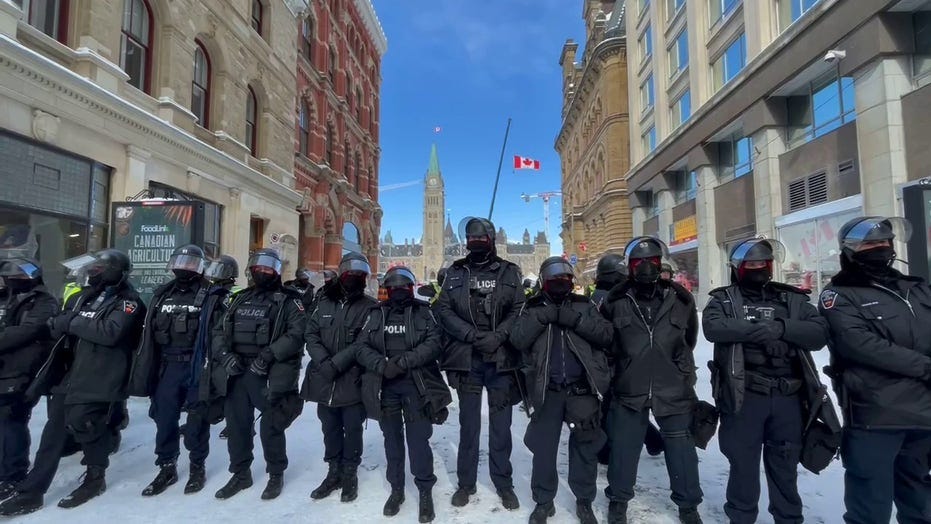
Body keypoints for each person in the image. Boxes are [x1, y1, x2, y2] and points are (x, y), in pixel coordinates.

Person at [0, 250, 145, 515]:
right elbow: (58, 326)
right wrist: (63, 323)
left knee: (87, 426)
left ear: (114, 270)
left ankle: (94, 477)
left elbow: (110, 332)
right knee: (52, 434)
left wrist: (72, 322)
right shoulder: (83, 298)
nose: (92, 272)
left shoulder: (129, 302)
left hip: (102, 375)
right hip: (71, 373)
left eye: (98, 268)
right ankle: (32, 492)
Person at [704, 238, 831, 524]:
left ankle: (788, 519)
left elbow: (819, 332)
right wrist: (760, 332)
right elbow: (713, 327)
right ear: (738, 268)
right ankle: (741, 517)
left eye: (763, 264)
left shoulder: (792, 299)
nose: (757, 269)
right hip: (745, 397)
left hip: (788, 399)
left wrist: (782, 329)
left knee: (785, 468)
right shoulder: (724, 299)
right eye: (751, 265)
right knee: (742, 467)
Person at [818, 216, 931, 523]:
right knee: (870, 507)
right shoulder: (838, 295)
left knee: (921, 503)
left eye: (884, 242)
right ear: (850, 250)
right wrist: (925, 366)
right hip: (875, 416)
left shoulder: (917, 289)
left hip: (923, 416)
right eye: (871, 243)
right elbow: (861, 345)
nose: (880, 248)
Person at [601, 237, 703, 524]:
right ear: (629, 266)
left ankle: (688, 505)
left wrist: (678, 368)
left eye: (652, 261)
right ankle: (618, 500)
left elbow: (689, 339)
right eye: (638, 262)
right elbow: (607, 344)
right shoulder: (615, 300)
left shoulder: (681, 298)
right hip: (629, 386)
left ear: (660, 263)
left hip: (672, 386)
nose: (646, 266)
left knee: (681, 449)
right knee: (623, 448)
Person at [510, 257, 613, 524]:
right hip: (547, 390)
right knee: (543, 450)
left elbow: (605, 335)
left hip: (582, 390)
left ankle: (584, 501)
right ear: (544, 281)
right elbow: (517, 339)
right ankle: (544, 501)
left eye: (565, 277)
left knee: (585, 449)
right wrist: (541, 318)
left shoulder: (584, 305)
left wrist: (575, 321)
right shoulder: (532, 307)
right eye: (554, 278)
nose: (560, 282)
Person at [437, 217, 525, 510]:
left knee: (501, 427)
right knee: (468, 425)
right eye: (471, 240)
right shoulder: (455, 272)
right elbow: (444, 309)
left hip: (501, 359)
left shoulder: (510, 272)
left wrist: (499, 335)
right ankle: (466, 483)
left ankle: (503, 482)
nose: (476, 244)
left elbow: (519, 308)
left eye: (480, 240)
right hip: (468, 359)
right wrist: (472, 335)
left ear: (491, 240)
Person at [352, 266, 451, 522]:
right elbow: (361, 347)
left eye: (402, 287)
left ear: (411, 288)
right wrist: (381, 365)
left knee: (419, 441)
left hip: (416, 386)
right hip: (385, 387)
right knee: (392, 441)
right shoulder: (375, 314)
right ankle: (396, 489)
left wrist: (404, 362)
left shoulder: (423, 313)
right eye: (393, 287)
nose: (398, 291)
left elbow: (434, 343)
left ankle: (425, 489)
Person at [211, 248, 306, 501]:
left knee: (271, 427)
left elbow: (297, 334)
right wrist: (224, 357)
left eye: (268, 268)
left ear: (275, 271)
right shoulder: (239, 298)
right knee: (237, 426)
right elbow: (219, 331)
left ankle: (276, 473)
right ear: (251, 270)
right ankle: (240, 473)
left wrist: (269, 356)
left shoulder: (288, 300)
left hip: (267, 372)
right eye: (258, 268)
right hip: (237, 371)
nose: (262, 272)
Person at [129, 245, 219, 496]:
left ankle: (197, 466)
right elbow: (149, 335)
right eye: (181, 262)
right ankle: (166, 466)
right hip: (167, 366)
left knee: (197, 419)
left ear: (200, 267)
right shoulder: (162, 294)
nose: (185, 267)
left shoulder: (211, 294)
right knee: (164, 418)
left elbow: (218, 334)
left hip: (196, 365)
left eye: (191, 263)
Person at [302, 252, 377, 502]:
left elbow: (363, 343)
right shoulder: (324, 302)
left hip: (351, 379)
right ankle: (333, 471)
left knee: (353, 429)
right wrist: (323, 361)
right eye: (350, 274)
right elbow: (310, 334)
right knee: (329, 428)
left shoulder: (370, 307)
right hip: (323, 379)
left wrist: (336, 363)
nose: (354, 278)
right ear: (342, 275)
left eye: (359, 275)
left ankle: (349, 474)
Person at [0, 259, 58, 500]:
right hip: (4, 366)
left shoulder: (44, 301)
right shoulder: (7, 297)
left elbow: (28, 331)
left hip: (24, 369)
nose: (12, 279)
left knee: (12, 419)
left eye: (19, 275)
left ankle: (13, 475)